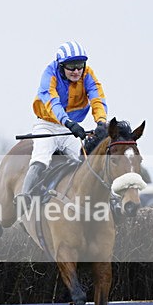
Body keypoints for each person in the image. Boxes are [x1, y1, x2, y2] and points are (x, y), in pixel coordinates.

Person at [17, 40, 108, 204]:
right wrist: (68, 123)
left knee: (86, 164)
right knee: (41, 160)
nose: (76, 71)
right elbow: (53, 103)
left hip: (70, 126)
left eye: (80, 65)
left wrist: (101, 122)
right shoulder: (49, 74)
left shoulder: (87, 74)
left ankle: (106, 200)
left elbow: (97, 98)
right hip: (47, 124)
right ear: (61, 66)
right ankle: (25, 197)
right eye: (71, 67)